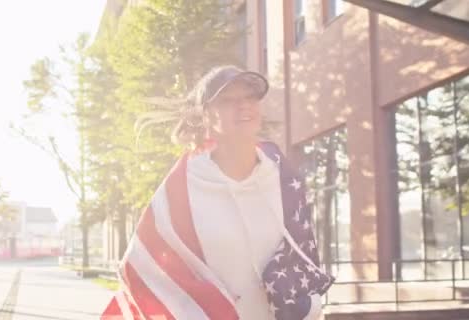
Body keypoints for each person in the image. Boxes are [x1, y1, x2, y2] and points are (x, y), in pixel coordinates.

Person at [103, 65, 333, 320]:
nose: (243, 105)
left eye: (250, 97)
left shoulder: (283, 178)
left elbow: (303, 255)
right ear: (205, 116)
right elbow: (141, 267)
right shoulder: (182, 188)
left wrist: (310, 306)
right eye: (227, 100)